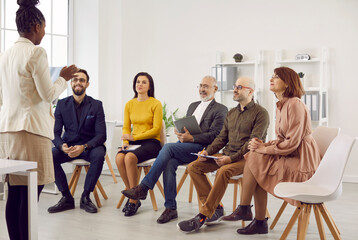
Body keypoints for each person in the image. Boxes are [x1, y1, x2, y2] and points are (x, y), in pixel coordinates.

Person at [0, 0, 77, 239]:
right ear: (35, 25)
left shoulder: (7, 54)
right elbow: (48, 94)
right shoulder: (36, 52)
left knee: (15, 193)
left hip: (8, 130)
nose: (44, 32)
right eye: (44, 27)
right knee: (31, 193)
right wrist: (63, 78)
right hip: (31, 131)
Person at [122, 75, 228, 223]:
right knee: (169, 162)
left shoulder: (221, 109)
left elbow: (216, 136)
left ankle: (144, 187)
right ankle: (171, 208)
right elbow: (188, 128)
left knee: (168, 148)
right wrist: (181, 134)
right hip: (186, 145)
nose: (202, 89)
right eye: (200, 86)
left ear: (215, 89)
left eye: (206, 86)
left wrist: (192, 138)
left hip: (203, 148)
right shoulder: (193, 105)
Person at [234, 67, 321, 235]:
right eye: (272, 76)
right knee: (256, 159)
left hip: (301, 160)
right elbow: (283, 139)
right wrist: (264, 145)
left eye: (277, 77)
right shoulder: (282, 105)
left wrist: (264, 149)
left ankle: (247, 211)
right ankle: (253, 217)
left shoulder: (295, 104)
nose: (271, 79)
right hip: (292, 153)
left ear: (287, 83)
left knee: (254, 160)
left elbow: (292, 143)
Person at [178, 77, 270, 232]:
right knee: (194, 167)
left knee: (223, 171)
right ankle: (215, 208)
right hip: (226, 154)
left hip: (247, 159)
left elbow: (252, 143)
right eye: (235, 86)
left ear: (250, 91)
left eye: (239, 87)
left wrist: (230, 159)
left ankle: (203, 215)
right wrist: (207, 152)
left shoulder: (261, 113)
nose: (235, 89)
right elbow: (221, 138)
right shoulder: (232, 112)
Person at [48, 69, 106, 214]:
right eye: (75, 80)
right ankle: (66, 197)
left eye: (81, 80)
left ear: (87, 84)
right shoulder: (61, 104)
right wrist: (61, 146)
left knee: (99, 155)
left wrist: (84, 147)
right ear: (71, 83)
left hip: (90, 147)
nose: (78, 82)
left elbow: (101, 135)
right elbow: (55, 132)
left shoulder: (96, 105)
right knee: (50, 156)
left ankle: (86, 197)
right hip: (69, 147)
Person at [115, 72, 163, 217]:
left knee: (129, 157)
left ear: (149, 86)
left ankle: (133, 201)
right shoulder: (130, 104)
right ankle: (134, 194)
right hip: (134, 141)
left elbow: (155, 129)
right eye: (138, 82)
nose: (140, 85)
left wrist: (133, 137)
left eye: (144, 82)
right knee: (119, 158)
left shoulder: (155, 103)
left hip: (152, 142)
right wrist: (125, 141)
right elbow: (125, 127)